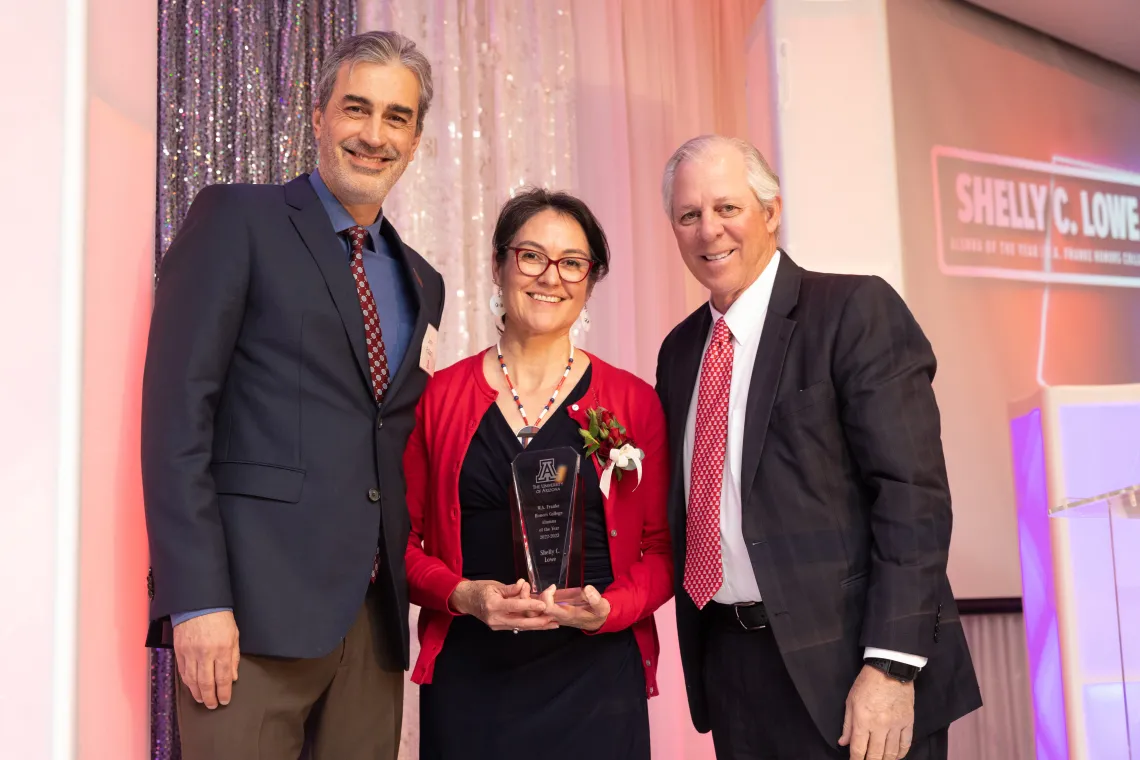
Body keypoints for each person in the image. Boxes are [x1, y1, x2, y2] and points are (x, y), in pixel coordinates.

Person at [141, 31, 444, 760]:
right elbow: (177, 417)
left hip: (371, 631)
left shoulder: (422, 279)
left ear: (416, 138)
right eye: (356, 109)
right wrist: (198, 600)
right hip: (246, 621)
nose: (374, 135)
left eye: (397, 118)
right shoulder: (236, 220)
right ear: (317, 117)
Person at [655, 135, 982, 760]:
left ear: (771, 211)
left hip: (854, 672)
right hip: (732, 668)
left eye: (728, 208)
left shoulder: (854, 309)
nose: (708, 231)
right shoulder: (679, 351)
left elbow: (912, 496)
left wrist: (890, 667)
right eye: (689, 215)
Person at [403, 188, 673, 760]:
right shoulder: (440, 397)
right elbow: (398, 544)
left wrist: (612, 610)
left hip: (595, 681)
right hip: (472, 682)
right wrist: (463, 595)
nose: (550, 277)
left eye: (572, 263)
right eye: (531, 256)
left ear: (590, 280)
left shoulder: (635, 400)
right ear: (499, 265)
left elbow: (661, 548)